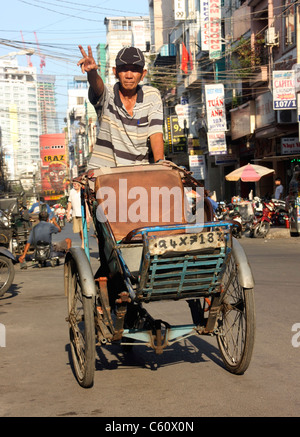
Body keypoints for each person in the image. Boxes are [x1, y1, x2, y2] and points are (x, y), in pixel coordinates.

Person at [77, 45, 165, 169]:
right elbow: (98, 88)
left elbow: (156, 133)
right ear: (115, 72)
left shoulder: (151, 96)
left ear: (143, 74)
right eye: (124, 69)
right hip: (104, 173)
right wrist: (92, 73)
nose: (129, 75)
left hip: (139, 173)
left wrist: (161, 167)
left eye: (135, 70)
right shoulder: (108, 95)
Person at [66, 180, 89, 249]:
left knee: (82, 229)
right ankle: (83, 241)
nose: (74, 185)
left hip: (83, 213)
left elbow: (86, 204)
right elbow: (69, 202)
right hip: (75, 213)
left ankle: (83, 243)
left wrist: (87, 215)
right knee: (78, 230)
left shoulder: (83, 191)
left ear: (79, 184)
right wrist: (68, 213)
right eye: (73, 184)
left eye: (75, 184)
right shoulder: (72, 191)